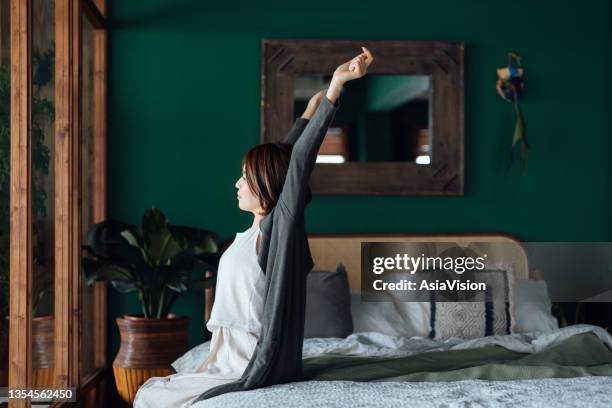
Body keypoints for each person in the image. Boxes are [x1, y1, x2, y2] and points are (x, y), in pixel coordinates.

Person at [133, 47, 374, 408]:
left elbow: (295, 168)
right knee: (150, 392)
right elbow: (284, 160)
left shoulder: (279, 230)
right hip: (225, 358)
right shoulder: (250, 233)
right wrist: (308, 111)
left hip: (250, 363)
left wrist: (337, 87)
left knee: (153, 398)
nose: (237, 184)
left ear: (265, 186)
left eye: (245, 178)